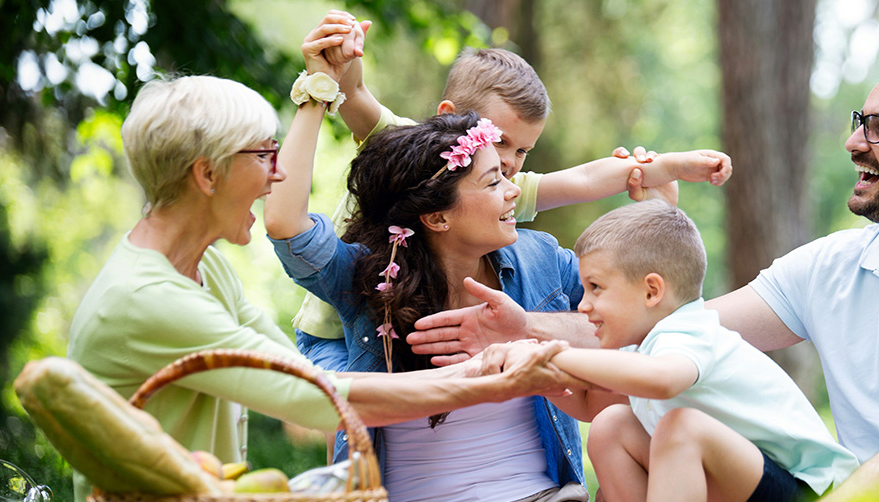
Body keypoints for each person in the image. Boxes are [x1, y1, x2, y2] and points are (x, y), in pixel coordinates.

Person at [412, 46, 879, 501]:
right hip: (855, 491)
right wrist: (525, 325)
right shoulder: (834, 265)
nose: (853, 142)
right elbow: (673, 326)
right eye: (857, 123)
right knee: (620, 420)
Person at [66, 73, 571, 502]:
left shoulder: (207, 269)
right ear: (207, 174)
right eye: (264, 154)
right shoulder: (149, 300)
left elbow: (293, 370)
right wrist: (487, 380)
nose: (278, 173)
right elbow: (311, 396)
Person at [292, 11, 732, 369]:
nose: (509, 163)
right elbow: (353, 92)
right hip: (331, 326)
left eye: (523, 151)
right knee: (350, 416)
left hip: (404, 326)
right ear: (451, 114)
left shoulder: (501, 188)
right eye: (501, 141)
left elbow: (580, 181)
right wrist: (345, 50)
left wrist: (664, 167)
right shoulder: (404, 145)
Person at [479, 200, 858, 501]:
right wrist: (534, 373)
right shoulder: (648, 347)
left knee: (682, 427)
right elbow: (584, 404)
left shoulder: (688, 331)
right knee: (611, 426)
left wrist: (551, 355)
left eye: (596, 288)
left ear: (652, 291)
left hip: (809, 491)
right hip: (745, 483)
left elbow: (662, 381)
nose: (583, 304)